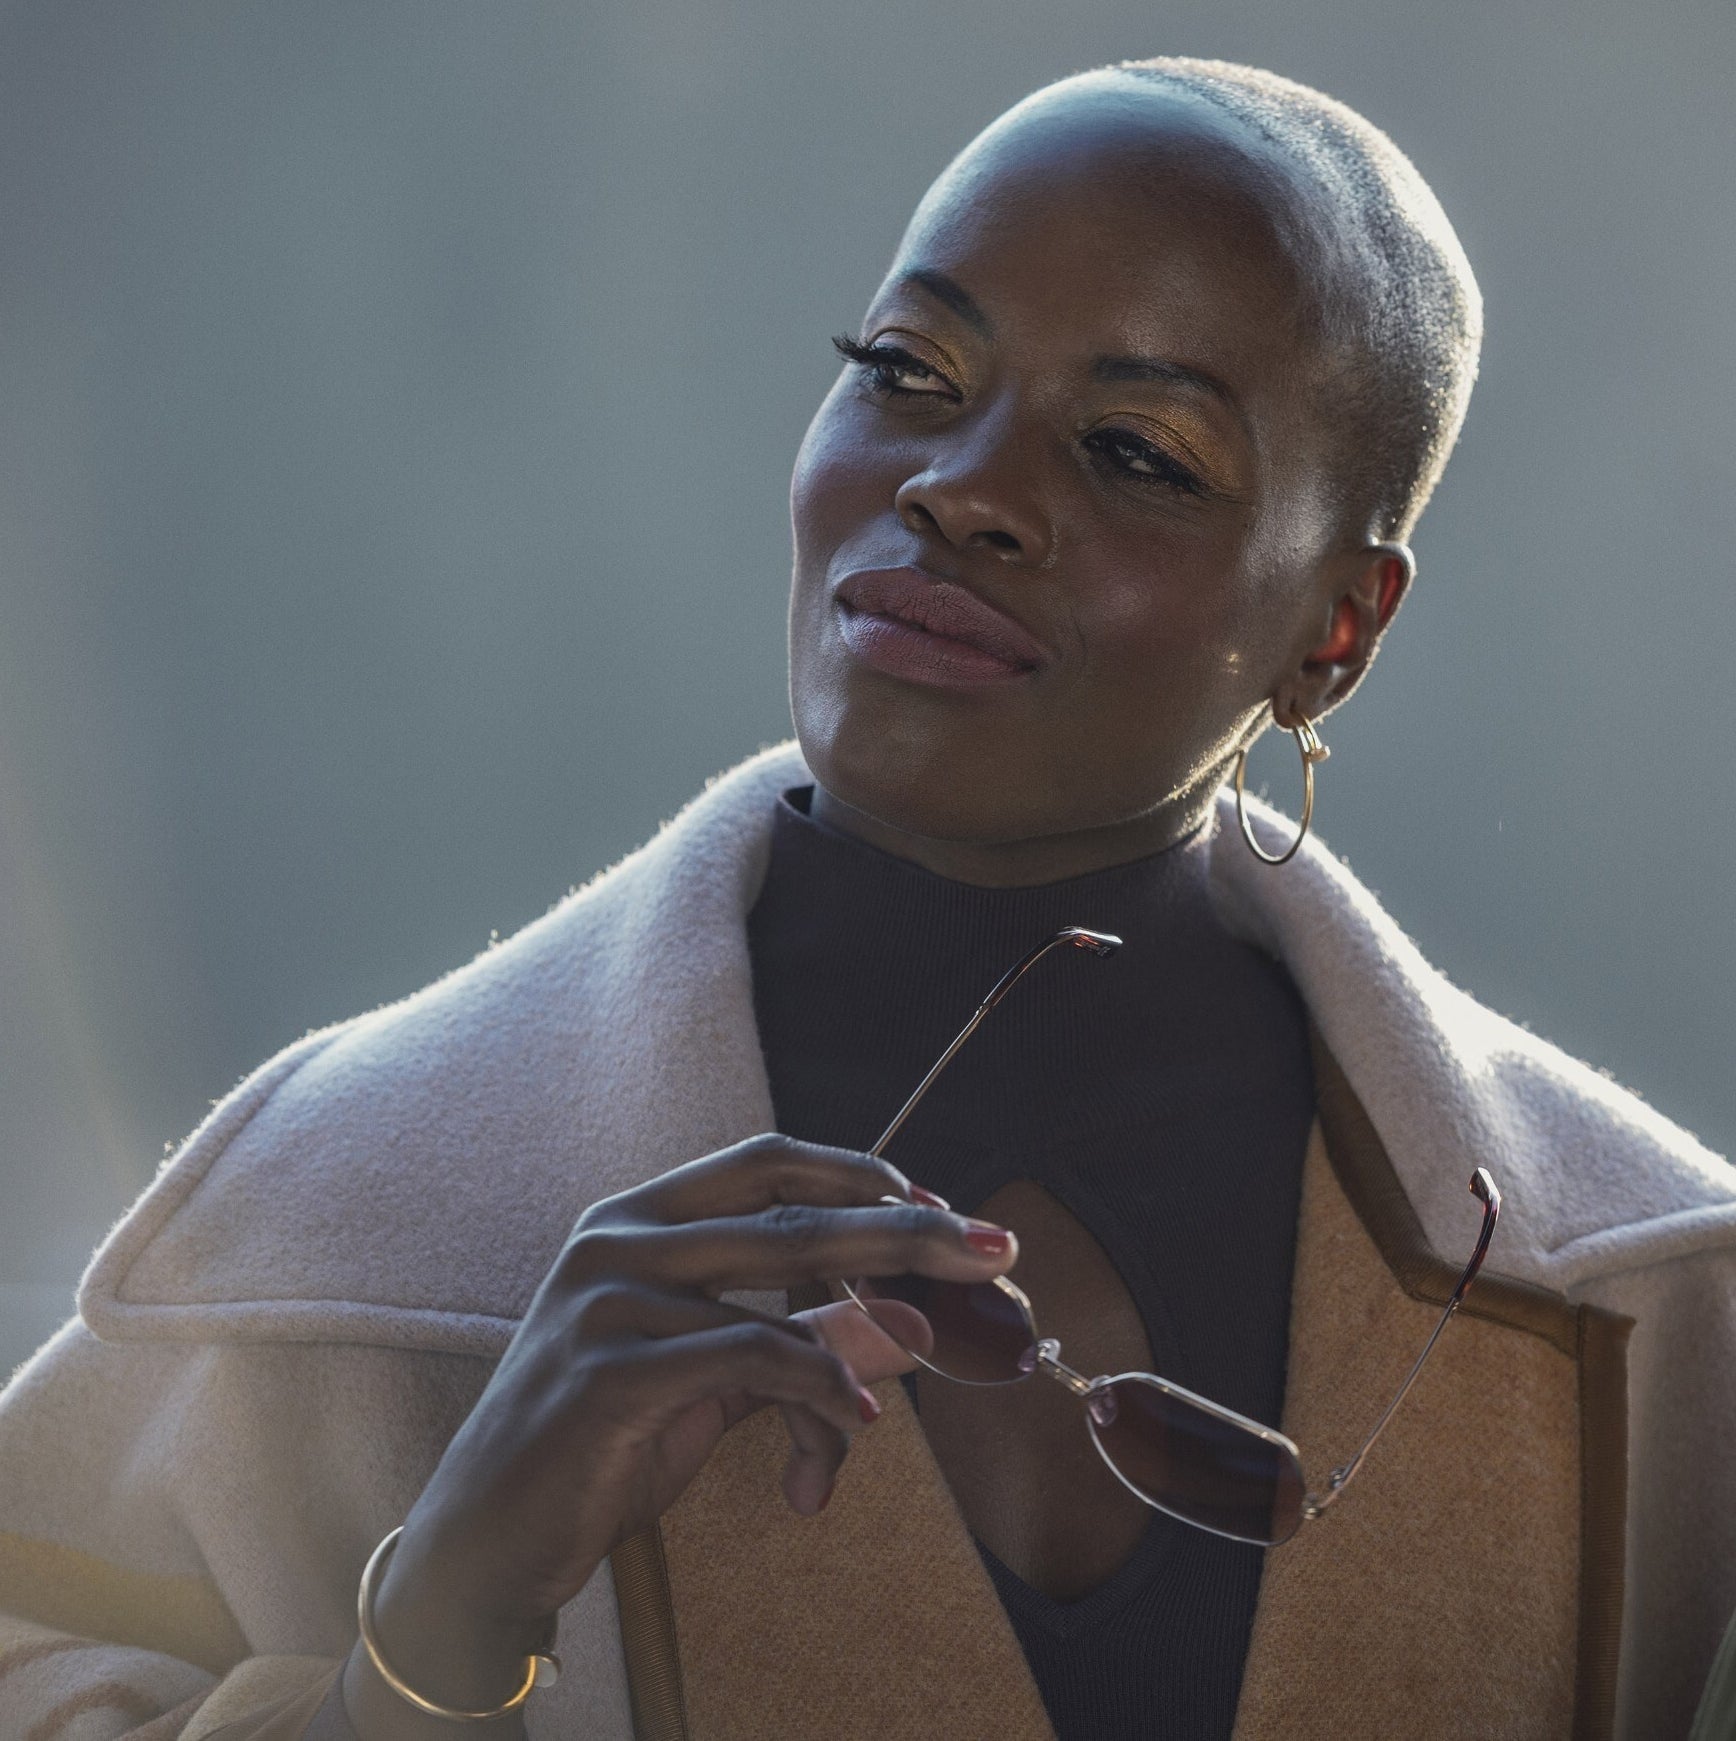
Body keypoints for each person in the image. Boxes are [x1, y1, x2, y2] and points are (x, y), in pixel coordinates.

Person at [1, 55, 1731, 1741]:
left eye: (1134, 450)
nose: (961, 486)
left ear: (1337, 633)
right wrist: (436, 1628)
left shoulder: (1671, 1327)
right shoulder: (334, 1234)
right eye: (907, 367)